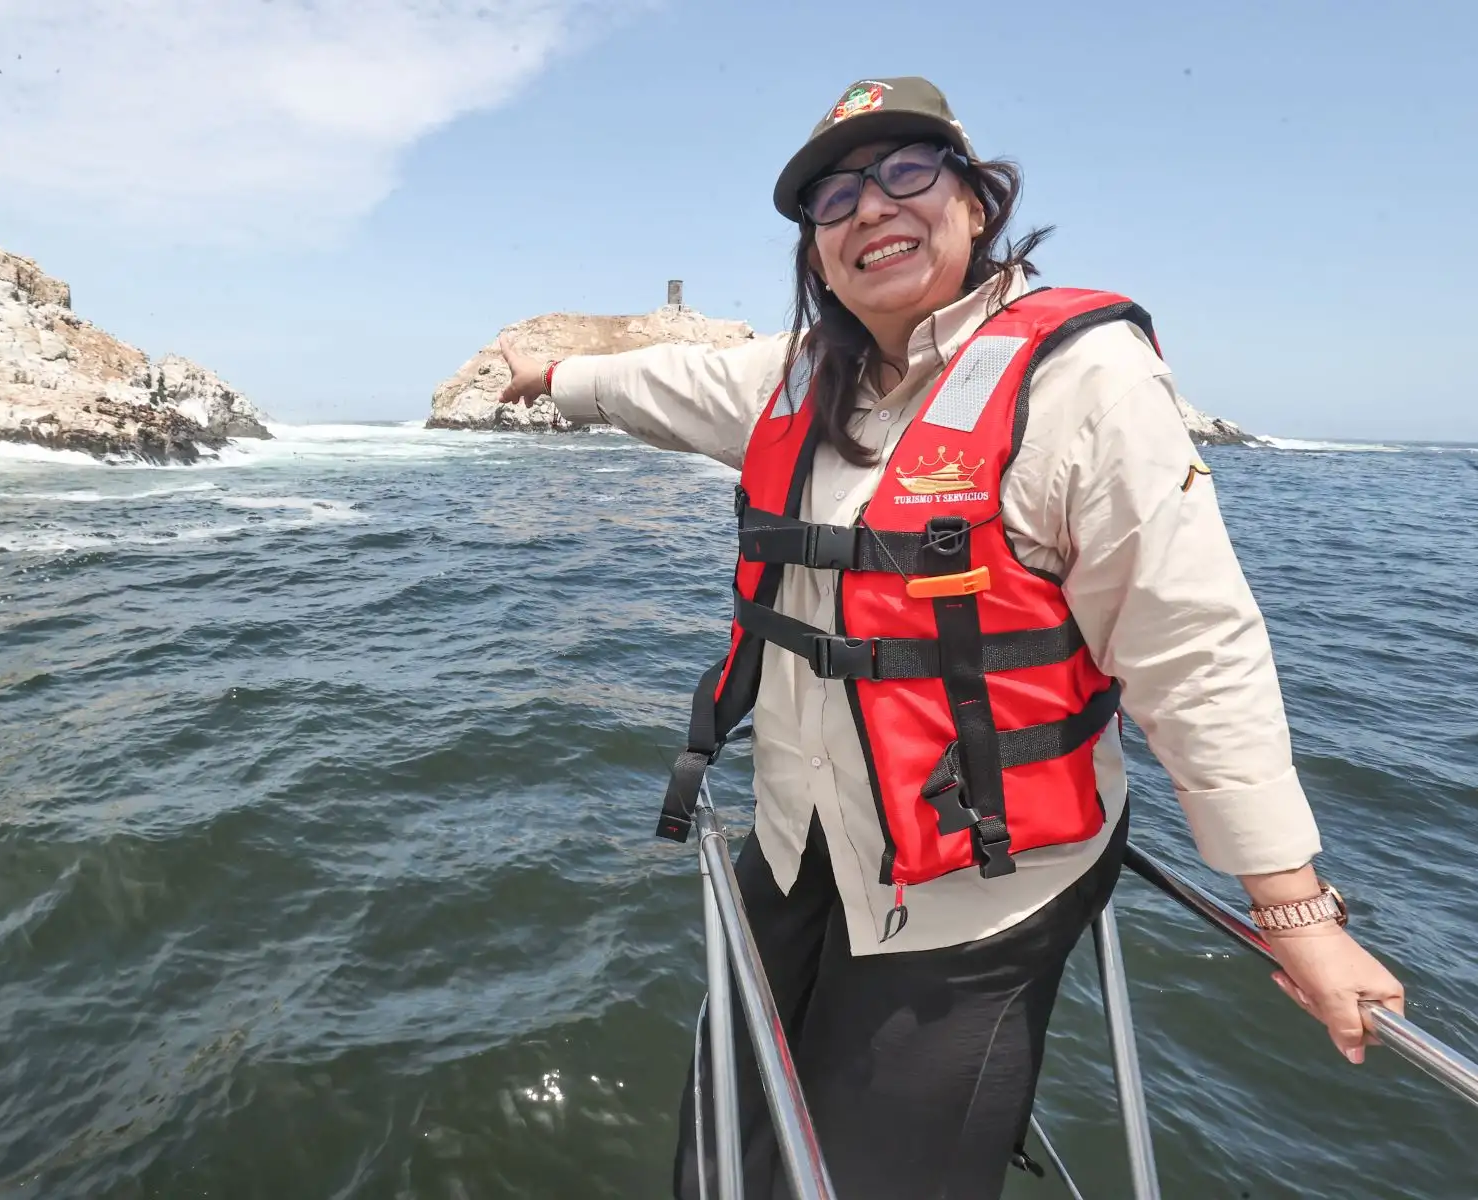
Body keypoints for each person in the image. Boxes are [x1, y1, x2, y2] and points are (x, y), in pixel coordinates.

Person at [496, 76, 1405, 1200]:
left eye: (907, 173)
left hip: (980, 886)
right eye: (833, 198)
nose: (870, 207)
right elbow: (662, 381)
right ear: (817, 253)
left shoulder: (1085, 380)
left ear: (977, 202)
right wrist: (556, 378)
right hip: (798, 840)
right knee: (724, 1153)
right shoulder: (798, 379)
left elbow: (1192, 644)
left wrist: (1293, 908)